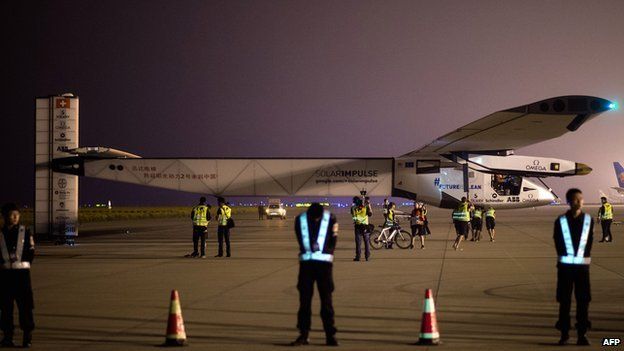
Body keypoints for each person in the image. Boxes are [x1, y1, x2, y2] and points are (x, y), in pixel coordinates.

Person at [290, 203, 338, 346]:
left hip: (322, 266)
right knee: (305, 303)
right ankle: (304, 334)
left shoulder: (331, 218)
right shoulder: (301, 219)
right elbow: (300, 237)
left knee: (326, 302)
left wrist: (327, 252)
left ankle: (329, 335)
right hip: (308, 265)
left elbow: (333, 240)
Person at [553, 188, 593, 346]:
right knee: (565, 302)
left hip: (582, 269)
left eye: (581, 199)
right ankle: (564, 333)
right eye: (576, 199)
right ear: (569, 201)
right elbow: (557, 241)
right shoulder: (561, 220)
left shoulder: (588, 220)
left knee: (583, 302)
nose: (579, 202)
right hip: (565, 269)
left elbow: (589, 242)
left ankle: (582, 334)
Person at [0, 203, 35, 348]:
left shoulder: (25, 232)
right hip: (4, 276)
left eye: (17, 214)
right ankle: (8, 336)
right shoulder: (1, 233)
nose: (15, 217)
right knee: (5, 308)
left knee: (25, 307)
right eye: (11, 215)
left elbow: (31, 251)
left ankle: (27, 336)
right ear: (4, 216)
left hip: (21, 276)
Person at [350, 197, 372, 261]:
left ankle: (358, 257)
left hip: (358, 227)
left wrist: (356, 220)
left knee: (358, 243)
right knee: (366, 242)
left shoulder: (353, 208)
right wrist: (369, 205)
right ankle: (367, 257)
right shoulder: (366, 207)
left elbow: (353, 217)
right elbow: (370, 214)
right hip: (365, 226)